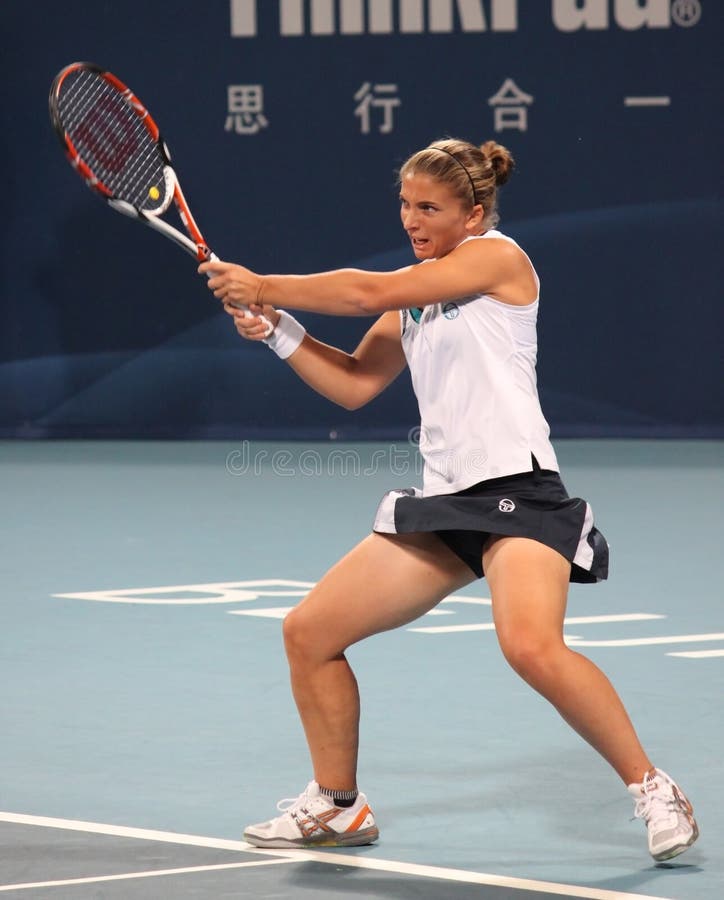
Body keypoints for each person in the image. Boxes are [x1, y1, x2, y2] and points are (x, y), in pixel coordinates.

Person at [199, 137, 699, 862]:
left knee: (530, 647)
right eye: (404, 204)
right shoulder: (420, 296)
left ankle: (654, 788)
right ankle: (338, 807)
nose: (412, 218)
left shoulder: (499, 260)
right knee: (309, 633)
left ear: (475, 212)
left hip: (520, 498)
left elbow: (367, 290)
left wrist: (265, 285)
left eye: (429, 206)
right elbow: (353, 382)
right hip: (444, 507)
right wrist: (277, 330)